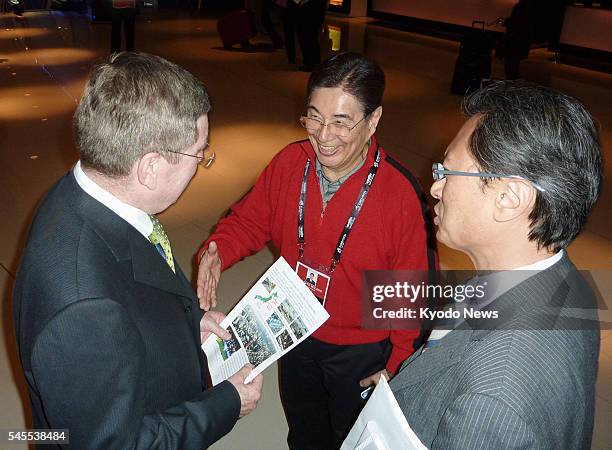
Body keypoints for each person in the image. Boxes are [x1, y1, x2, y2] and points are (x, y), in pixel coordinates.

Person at [13, 52, 263, 449]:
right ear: (149, 168)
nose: (201, 161)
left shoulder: (85, 191)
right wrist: (227, 403)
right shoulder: (83, 308)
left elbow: (133, 290)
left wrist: (187, 323)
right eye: (199, 153)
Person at [197, 52, 436, 449]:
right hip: (294, 330)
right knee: (305, 431)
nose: (324, 136)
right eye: (314, 118)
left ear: (373, 120)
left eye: (341, 122)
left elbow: (410, 295)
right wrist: (218, 250)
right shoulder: (291, 162)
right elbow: (250, 220)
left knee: (352, 437)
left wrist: (398, 368)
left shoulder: (399, 194)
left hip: (361, 351)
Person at [390, 80, 602, 449]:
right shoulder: (562, 279)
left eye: (447, 172)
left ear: (508, 198)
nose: (435, 188)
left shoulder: (493, 399)